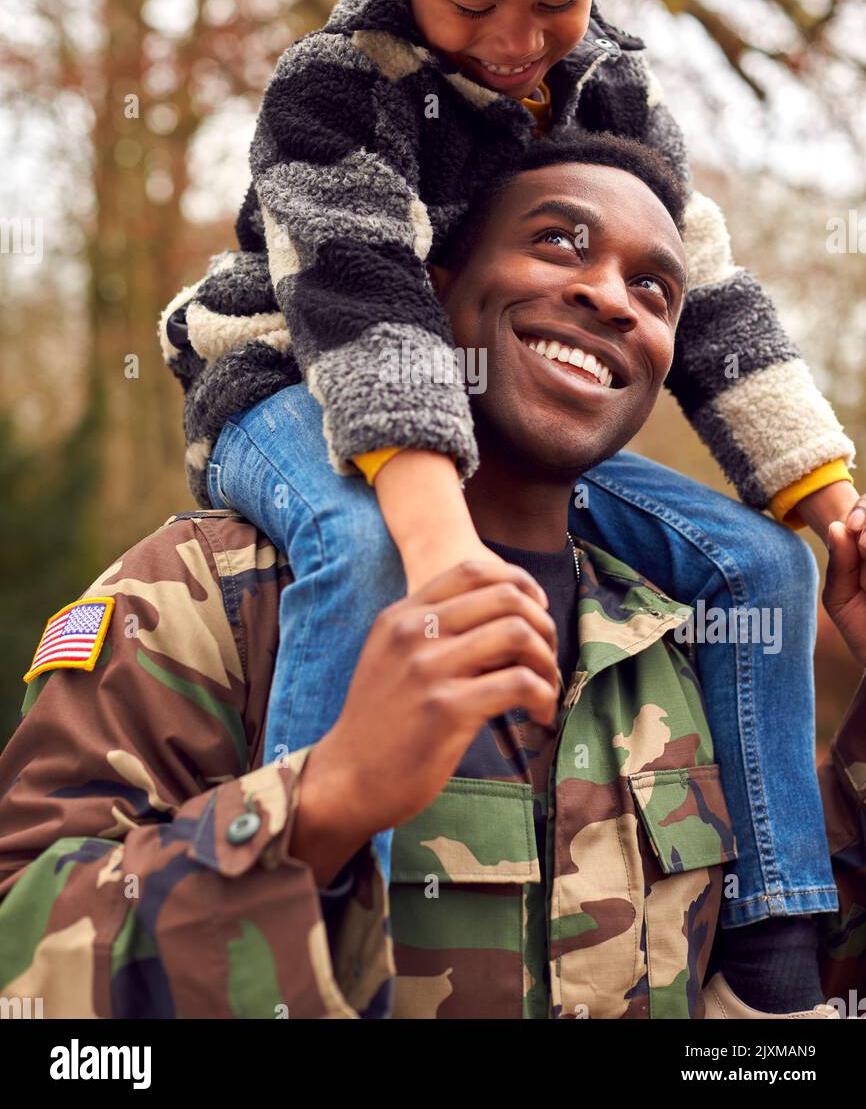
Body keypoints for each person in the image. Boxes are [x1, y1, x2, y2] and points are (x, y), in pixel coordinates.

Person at [160, 0, 861, 1006]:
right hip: (285, 378)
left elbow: (703, 295)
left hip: (480, 399)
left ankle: (774, 921)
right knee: (366, 551)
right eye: (471, 4)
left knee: (763, 567)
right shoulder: (334, 87)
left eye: (555, 1)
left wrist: (818, 492)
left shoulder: (613, 94)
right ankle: (324, 902)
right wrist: (441, 550)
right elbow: (361, 305)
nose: (515, 41)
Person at [3, 138, 863, 1018]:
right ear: (432, 290)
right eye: (559, 242)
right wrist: (322, 803)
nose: (609, 295)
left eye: (654, 290)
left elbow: (794, 982)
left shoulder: (698, 634)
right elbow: (24, 967)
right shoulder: (209, 596)